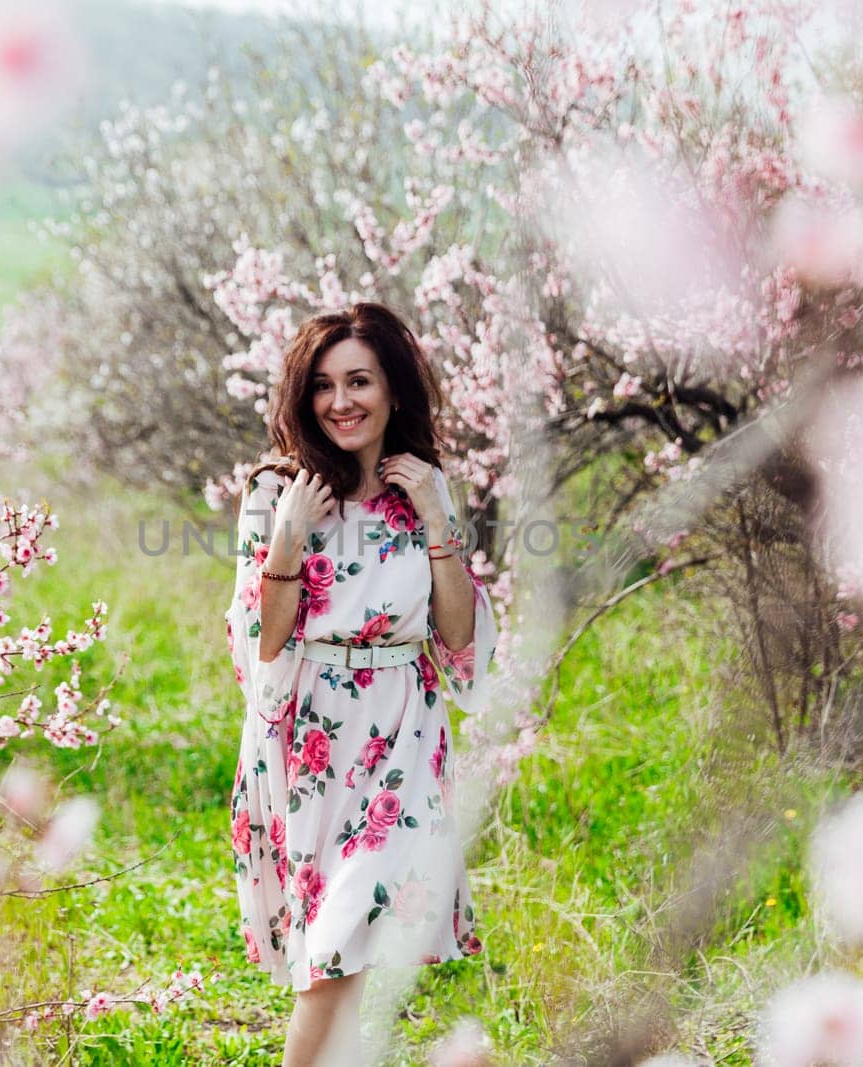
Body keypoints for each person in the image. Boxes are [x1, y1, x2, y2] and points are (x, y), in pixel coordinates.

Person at [224, 302, 498, 1065]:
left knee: (349, 937)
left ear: (394, 392)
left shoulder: (425, 488)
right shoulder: (279, 487)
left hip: (404, 729)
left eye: (359, 381)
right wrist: (288, 534)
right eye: (322, 385)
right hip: (311, 736)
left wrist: (438, 514)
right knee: (336, 954)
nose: (340, 401)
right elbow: (263, 638)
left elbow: (455, 633)